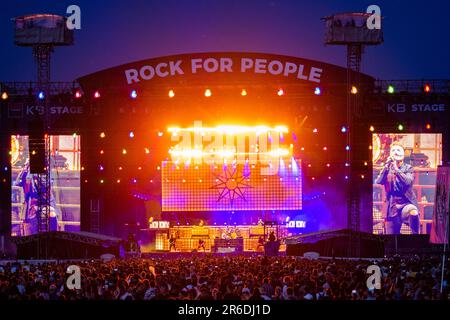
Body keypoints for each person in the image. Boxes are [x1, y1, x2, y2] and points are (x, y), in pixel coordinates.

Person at [375, 141, 420, 234]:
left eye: (398, 150)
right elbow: (379, 181)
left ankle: (416, 237)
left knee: (413, 212)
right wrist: (386, 166)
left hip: (406, 203)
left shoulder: (408, 168)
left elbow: (408, 181)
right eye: (393, 150)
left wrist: (396, 169)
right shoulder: (388, 168)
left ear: (403, 154)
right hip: (392, 206)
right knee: (390, 237)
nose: (396, 152)